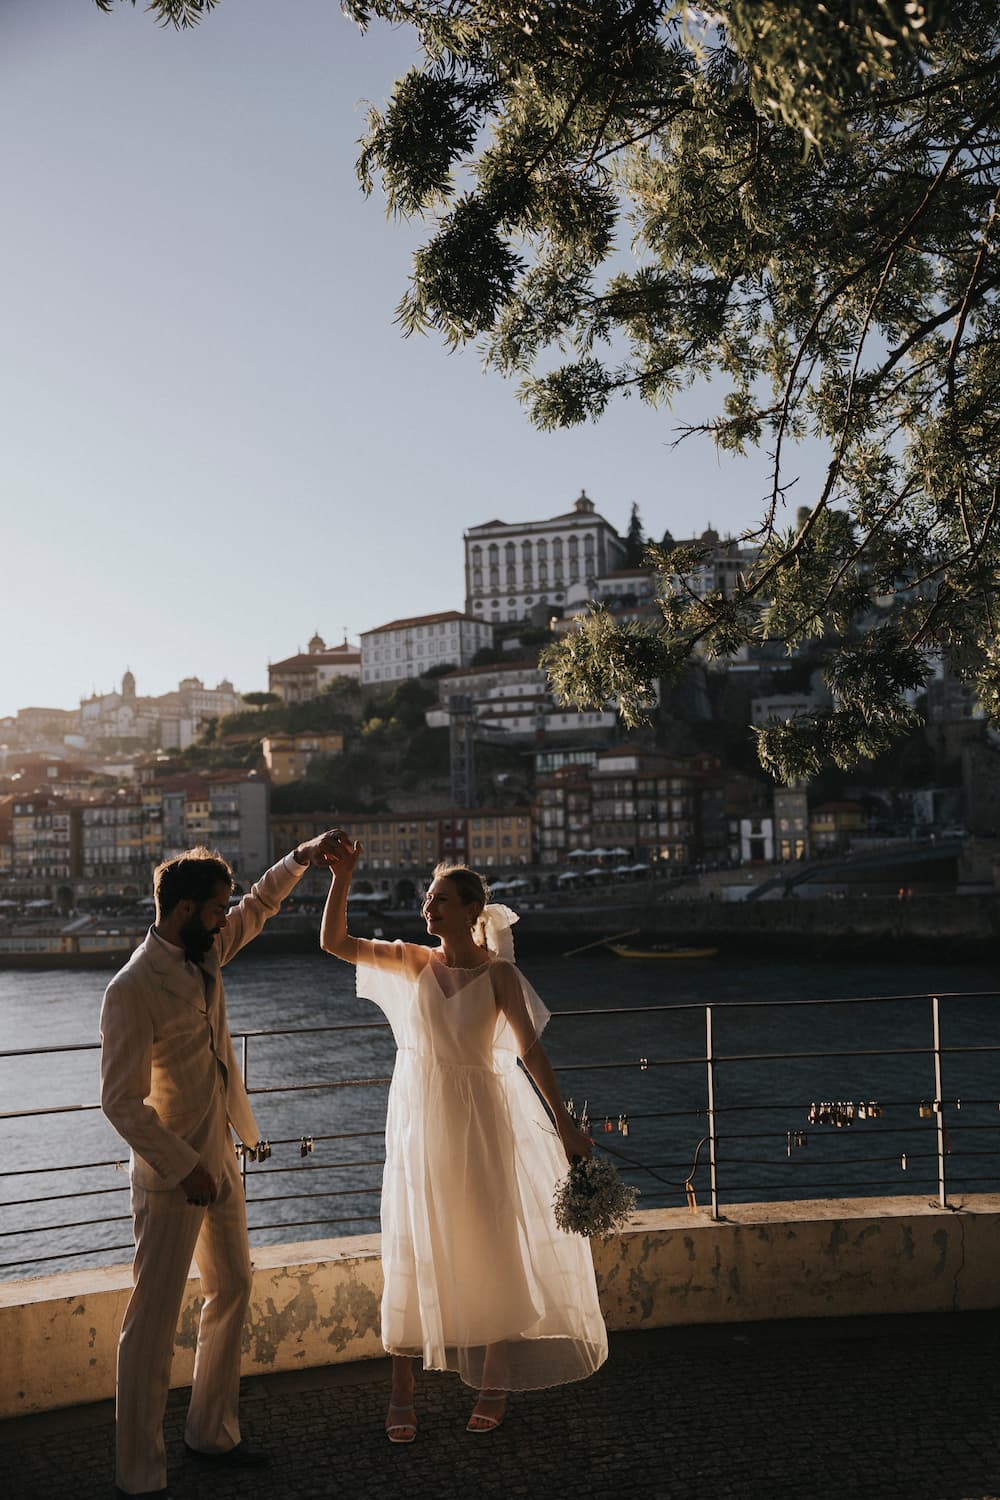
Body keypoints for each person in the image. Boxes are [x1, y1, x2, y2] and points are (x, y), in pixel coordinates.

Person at [320, 841, 608, 1441]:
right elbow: (335, 943)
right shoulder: (414, 962)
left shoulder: (500, 975)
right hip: (420, 1116)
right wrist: (342, 877)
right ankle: (402, 1390)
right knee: (413, 1238)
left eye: (441, 900)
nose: (428, 908)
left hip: (482, 1117)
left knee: (490, 1238)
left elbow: (532, 1053)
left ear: (473, 909)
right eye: (427, 899)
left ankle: (494, 1380)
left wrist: (565, 1128)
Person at [101, 831, 345, 1499]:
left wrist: (302, 856)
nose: (225, 917)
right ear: (182, 910)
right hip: (173, 1177)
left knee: (233, 1285)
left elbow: (261, 906)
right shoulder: (131, 989)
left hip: (222, 1160)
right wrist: (184, 1167)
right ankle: (140, 1474)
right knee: (149, 1325)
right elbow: (120, 1103)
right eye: (216, 908)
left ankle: (211, 1433)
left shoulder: (205, 953)